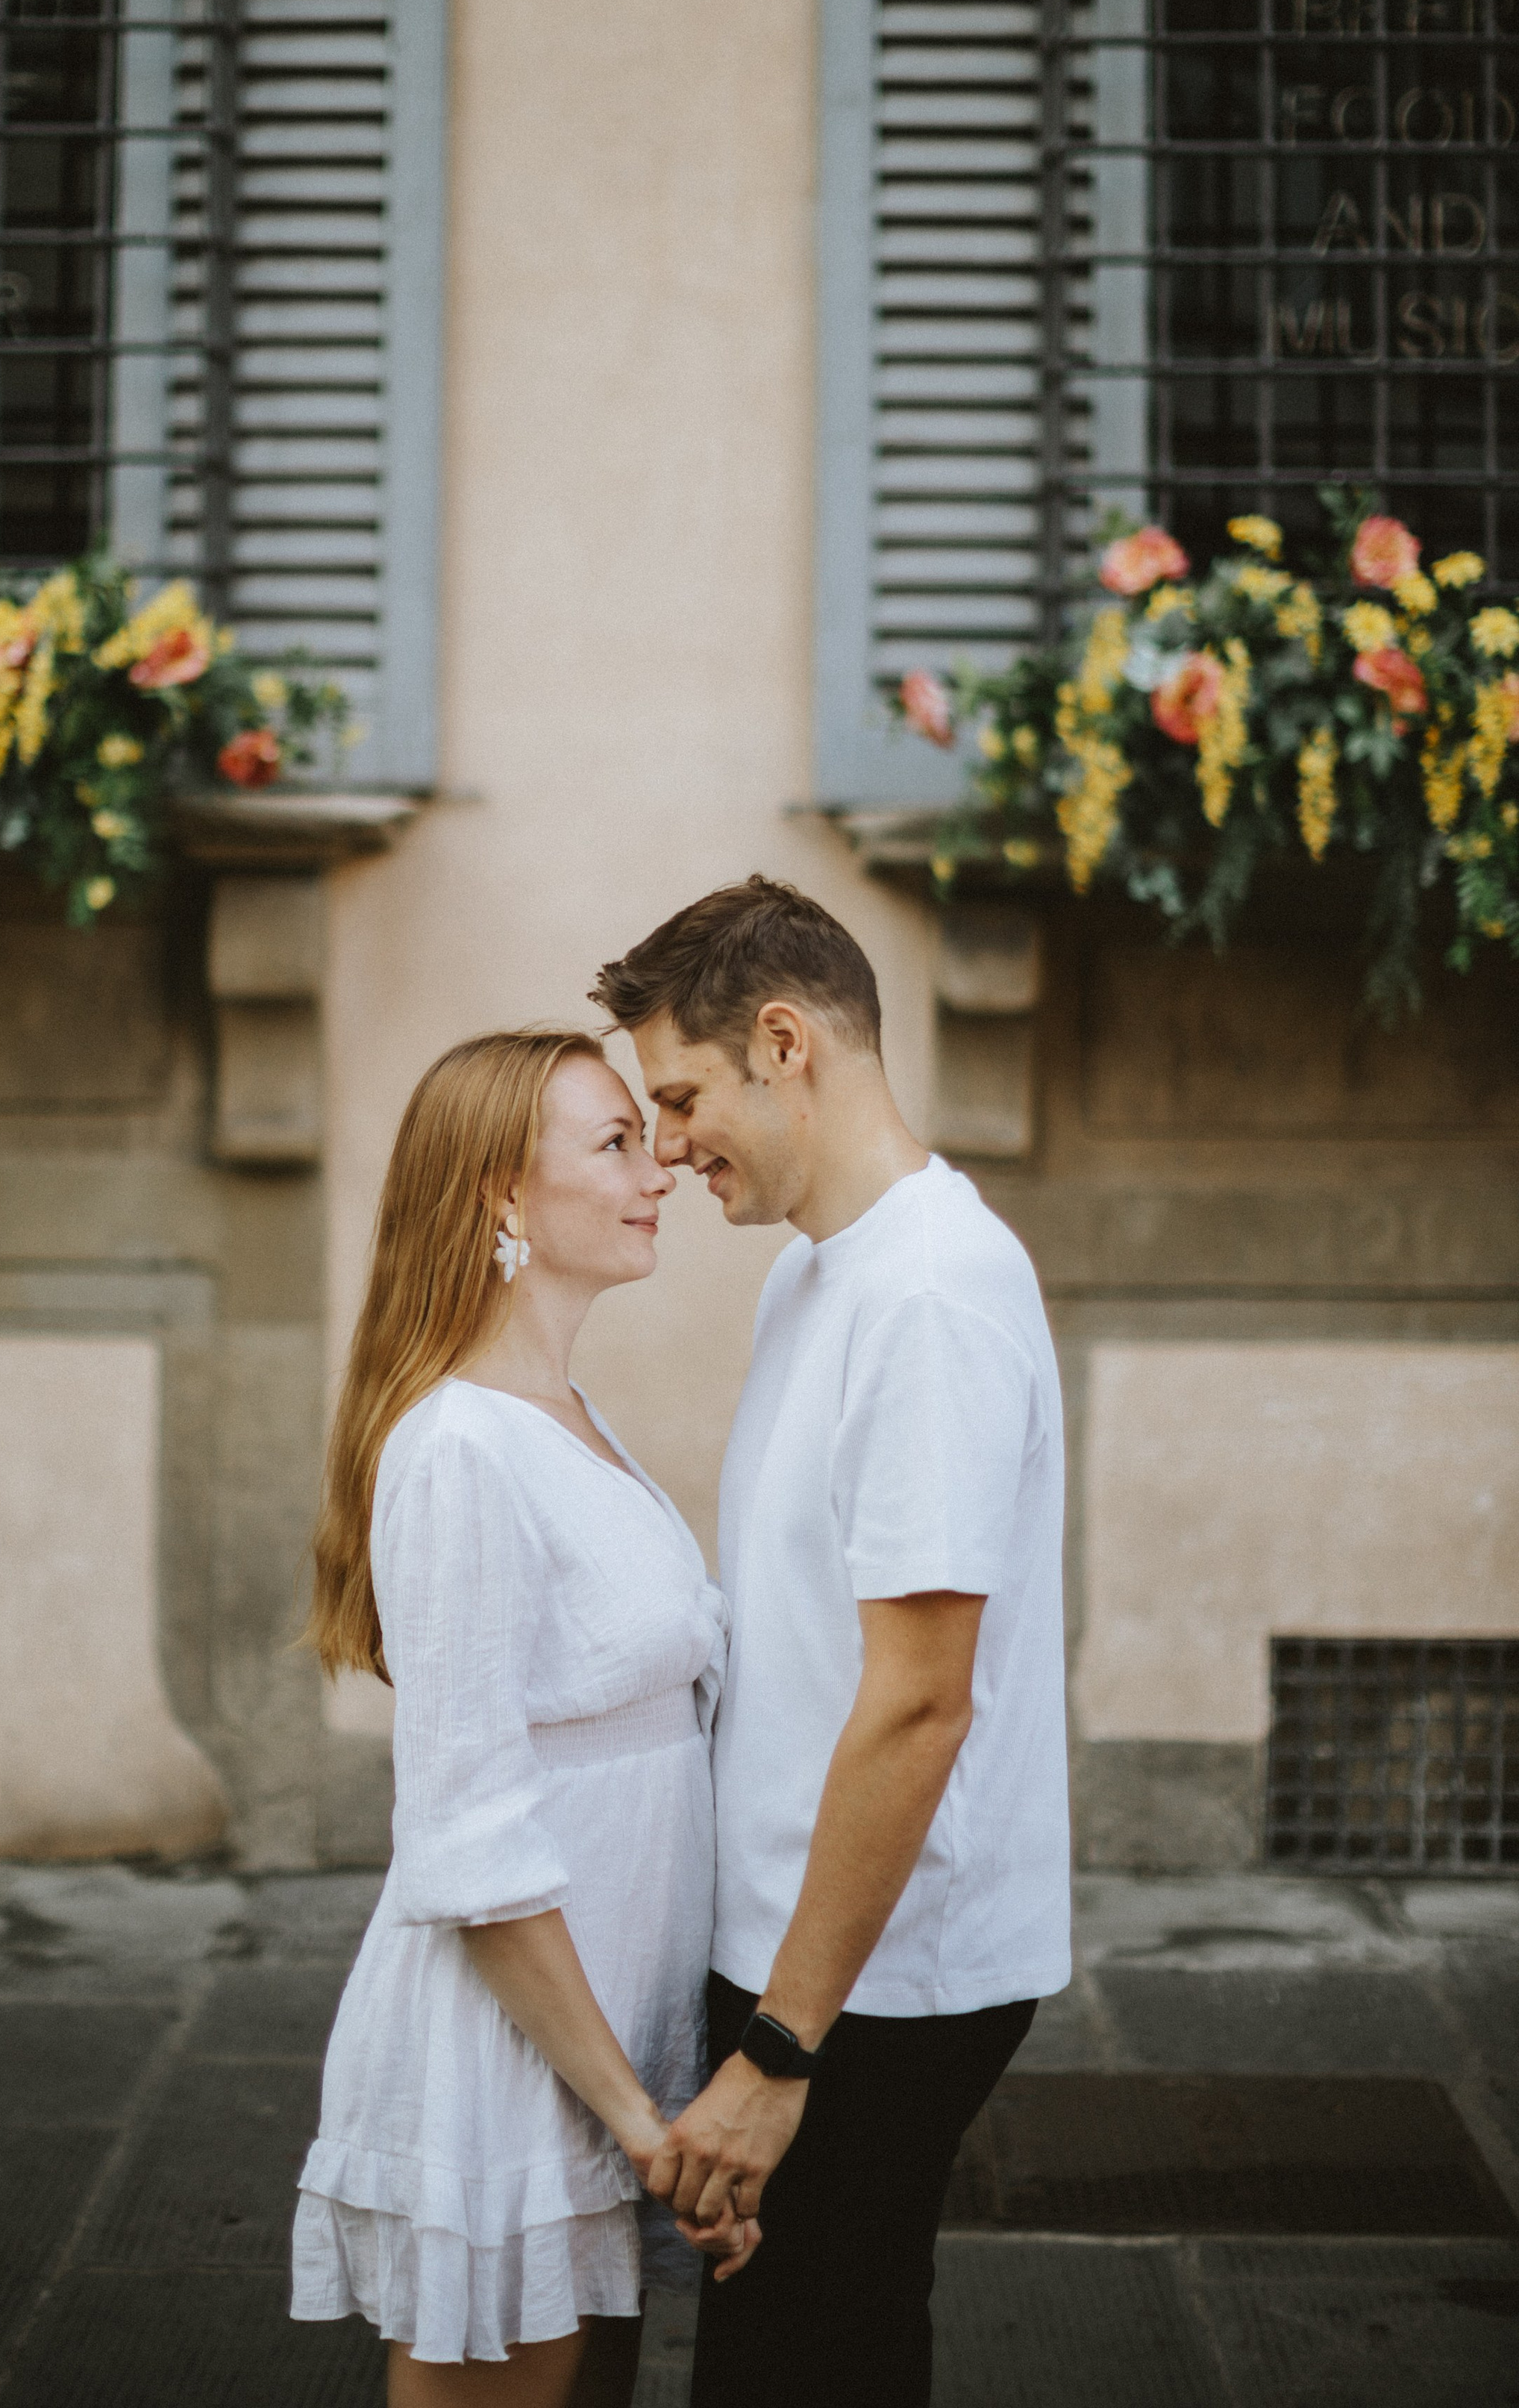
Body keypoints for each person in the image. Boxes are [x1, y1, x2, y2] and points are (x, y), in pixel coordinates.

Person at [590, 878, 1071, 2408]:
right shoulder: (818, 1269)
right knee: (776, 2354)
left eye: (678, 1095)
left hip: (871, 1983)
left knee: (816, 2365)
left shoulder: (928, 1295)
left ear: (781, 1042)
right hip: (803, 1953)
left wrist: (779, 2054)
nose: (663, 1145)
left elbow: (919, 1705)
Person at [290, 1027, 757, 2408]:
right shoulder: (458, 1451)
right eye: (614, 1143)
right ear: (502, 1195)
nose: (659, 1165)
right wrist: (635, 2121)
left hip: (615, 2038)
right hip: (525, 2066)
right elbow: (469, 1836)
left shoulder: (564, 1410)